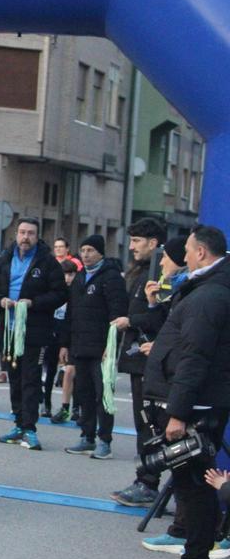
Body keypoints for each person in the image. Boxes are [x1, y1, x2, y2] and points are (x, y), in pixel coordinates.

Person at [139, 225, 230, 559]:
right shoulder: (207, 288)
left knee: (193, 487)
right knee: (192, 485)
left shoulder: (209, 296)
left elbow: (195, 357)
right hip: (197, 402)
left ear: (202, 253)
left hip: (195, 407)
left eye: (189, 251)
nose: (183, 257)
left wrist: (177, 412)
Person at [0, 218, 67, 452]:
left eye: (30, 233)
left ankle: (30, 428)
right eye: (22, 232)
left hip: (34, 330)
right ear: (15, 234)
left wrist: (33, 303)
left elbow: (60, 294)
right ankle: (18, 424)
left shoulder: (48, 262)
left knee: (31, 379)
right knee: (14, 378)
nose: (25, 237)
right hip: (9, 329)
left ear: (37, 236)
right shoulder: (4, 259)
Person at [111, 217, 168, 506]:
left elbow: (163, 317)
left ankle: (148, 482)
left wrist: (130, 320)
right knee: (143, 423)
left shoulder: (161, 274)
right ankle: (144, 478)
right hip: (137, 360)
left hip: (151, 361)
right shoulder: (142, 271)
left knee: (150, 425)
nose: (131, 246)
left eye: (136, 241)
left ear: (153, 243)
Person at [60, 234, 129, 459]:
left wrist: (112, 346)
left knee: (103, 396)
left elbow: (118, 314)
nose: (86, 255)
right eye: (83, 250)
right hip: (80, 346)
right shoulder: (80, 278)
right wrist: (65, 344)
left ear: (100, 252)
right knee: (84, 394)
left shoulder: (111, 278)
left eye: (90, 250)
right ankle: (86, 437)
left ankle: (104, 441)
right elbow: (71, 314)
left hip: (101, 348)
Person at [48, 260, 79, 423]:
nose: (67, 278)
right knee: (67, 372)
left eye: (71, 274)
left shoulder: (78, 289)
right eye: (64, 275)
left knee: (77, 374)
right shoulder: (58, 292)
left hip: (80, 336)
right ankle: (64, 407)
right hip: (63, 336)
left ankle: (77, 408)